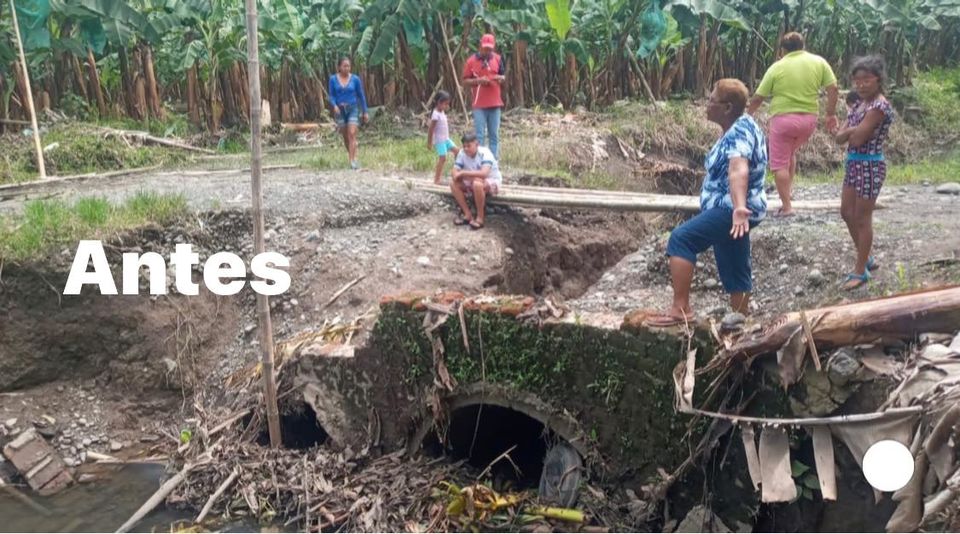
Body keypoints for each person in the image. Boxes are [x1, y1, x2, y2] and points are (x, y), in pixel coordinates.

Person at [645, 79, 768, 327]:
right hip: (735, 208)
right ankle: (740, 320)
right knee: (734, 259)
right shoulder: (741, 126)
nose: (706, 104)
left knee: (681, 239)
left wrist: (739, 208)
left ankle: (680, 309)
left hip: (731, 208)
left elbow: (738, 169)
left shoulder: (739, 132)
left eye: (711, 100)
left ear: (727, 107)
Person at [748, 32, 839, 217]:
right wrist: (830, 113)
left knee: (778, 164)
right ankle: (788, 192)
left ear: (782, 49)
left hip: (782, 121)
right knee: (789, 153)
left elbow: (758, 97)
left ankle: (787, 207)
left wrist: (747, 115)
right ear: (803, 46)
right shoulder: (819, 62)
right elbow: (833, 88)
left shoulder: (777, 67)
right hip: (809, 121)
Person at [834, 56, 894, 290]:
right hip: (854, 163)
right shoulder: (860, 104)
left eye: (866, 80)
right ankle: (865, 256)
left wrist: (850, 132)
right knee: (846, 212)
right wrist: (852, 130)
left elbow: (858, 139)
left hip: (870, 165)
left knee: (862, 217)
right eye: (857, 81)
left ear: (878, 79)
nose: (861, 85)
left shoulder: (879, 106)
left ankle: (860, 271)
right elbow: (839, 138)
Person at [462, 33, 505, 159]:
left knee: (494, 135)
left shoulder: (498, 59)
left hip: (495, 103)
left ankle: (493, 161)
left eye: (490, 49)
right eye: (485, 48)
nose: (487, 51)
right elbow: (464, 81)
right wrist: (478, 81)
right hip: (479, 104)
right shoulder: (471, 61)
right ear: (480, 46)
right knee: (480, 135)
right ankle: (479, 161)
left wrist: (500, 78)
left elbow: (503, 75)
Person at [450, 133, 502, 230]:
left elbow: (484, 173)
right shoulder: (462, 153)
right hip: (472, 180)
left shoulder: (485, 153)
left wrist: (463, 173)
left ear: (476, 144)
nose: (466, 149)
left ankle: (480, 218)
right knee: (454, 184)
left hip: (491, 180)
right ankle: (467, 214)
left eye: (469, 146)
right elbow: (454, 171)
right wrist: (457, 175)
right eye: (464, 146)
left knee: (477, 184)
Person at [328, 57, 368, 170]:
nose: (347, 68)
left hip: (353, 108)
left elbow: (361, 96)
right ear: (339, 67)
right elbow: (331, 96)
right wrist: (334, 105)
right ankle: (353, 155)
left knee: (352, 133)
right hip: (340, 110)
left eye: (349, 66)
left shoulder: (355, 79)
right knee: (345, 136)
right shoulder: (333, 79)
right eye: (344, 66)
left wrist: (365, 111)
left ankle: (352, 161)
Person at [427, 91, 459, 184]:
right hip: (440, 141)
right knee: (443, 158)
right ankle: (437, 179)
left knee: (457, 152)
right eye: (445, 104)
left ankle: (457, 172)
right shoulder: (435, 115)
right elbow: (431, 129)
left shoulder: (442, 112)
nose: (447, 106)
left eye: (447, 104)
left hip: (446, 139)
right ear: (439, 102)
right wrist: (429, 142)